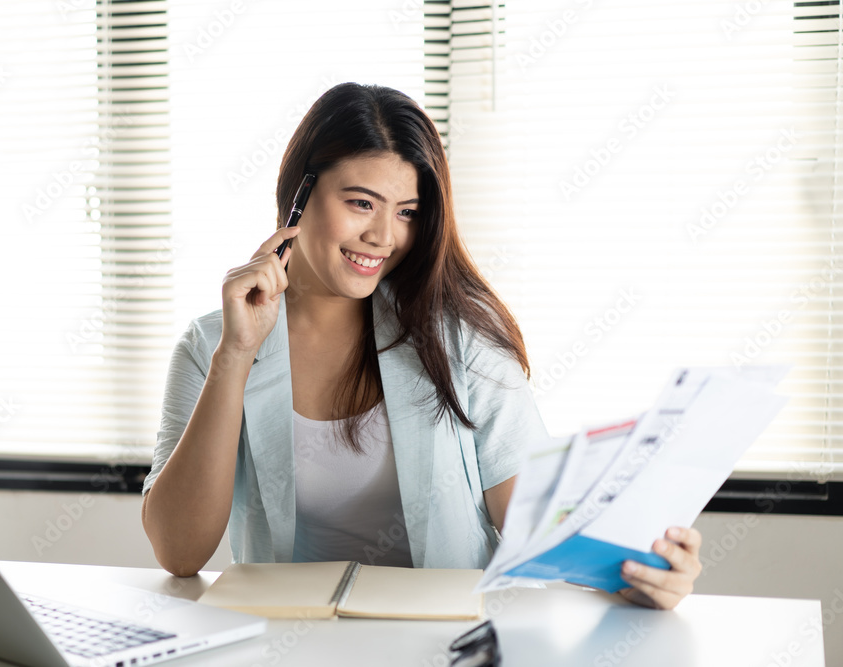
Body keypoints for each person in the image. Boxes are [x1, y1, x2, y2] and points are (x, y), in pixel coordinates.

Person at [141, 82, 703, 610]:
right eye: (361, 203)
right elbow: (180, 552)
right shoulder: (212, 344)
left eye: (406, 212)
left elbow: (538, 523)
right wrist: (235, 358)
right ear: (299, 196)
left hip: (446, 643)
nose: (384, 237)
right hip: (290, 644)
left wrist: (639, 571)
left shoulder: (460, 337)